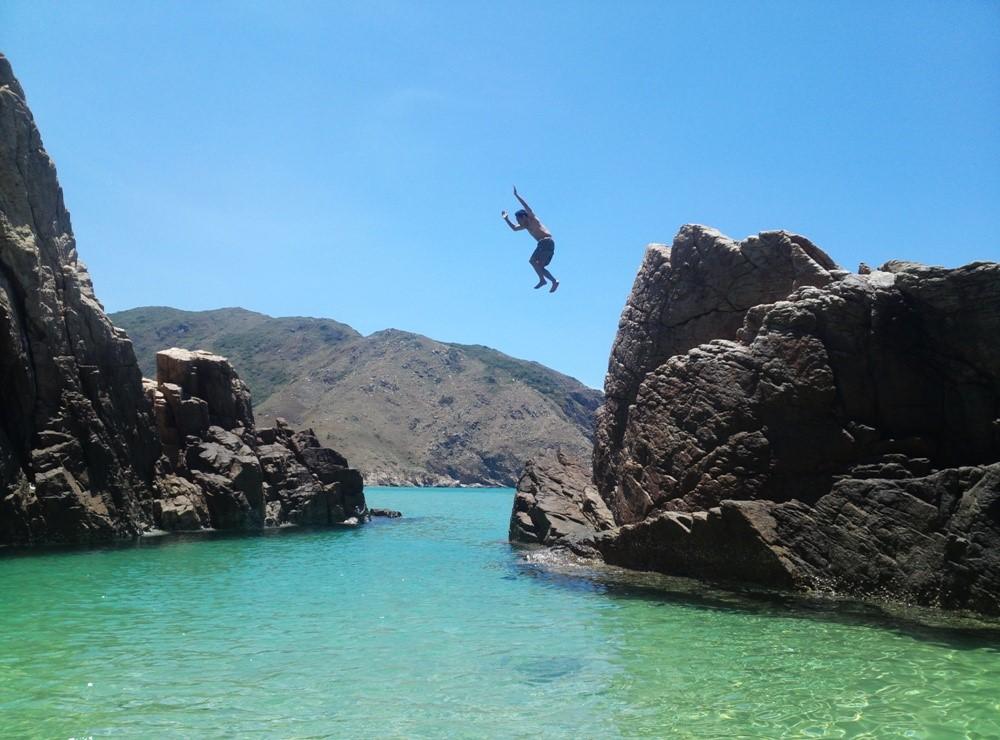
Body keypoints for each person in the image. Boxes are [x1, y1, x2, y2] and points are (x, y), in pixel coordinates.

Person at [502, 186, 559, 292]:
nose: (518, 222)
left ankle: (542, 280)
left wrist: (516, 195)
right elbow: (514, 228)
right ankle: (554, 281)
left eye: (519, 220)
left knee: (533, 261)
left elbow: (526, 206)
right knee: (539, 266)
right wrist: (506, 219)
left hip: (545, 242)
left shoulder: (532, 219)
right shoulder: (526, 226)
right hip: (547, 244)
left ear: (524, 217)